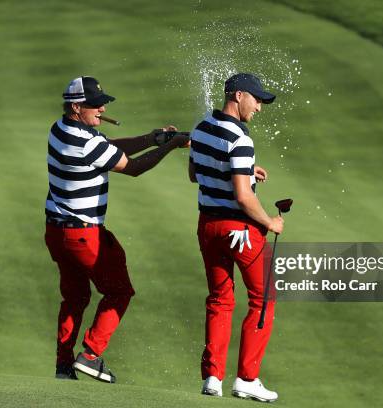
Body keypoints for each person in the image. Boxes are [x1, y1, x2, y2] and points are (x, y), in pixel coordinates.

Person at [45, 76, 188, 382]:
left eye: (103, 103)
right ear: (75, 106)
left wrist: (151, 139)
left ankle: (63, 366)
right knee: (119, 291)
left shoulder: (60, 130)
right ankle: (91, 355)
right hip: (84, 235)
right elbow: (132, 168)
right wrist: (172, 145)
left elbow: (108, 148)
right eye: (95, 104)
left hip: (56, 232)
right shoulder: (88, 141)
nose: (101, 108)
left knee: (75, 297)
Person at [188, 73, 284, 402]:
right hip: (239, 230)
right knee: (263, 300)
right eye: (256, 100)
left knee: (220, 299)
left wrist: (243, 169)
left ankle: (212, 376)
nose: (259, 106)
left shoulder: (201, 127)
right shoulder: (241, 139)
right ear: (238, 96)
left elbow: (194, 173)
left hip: (208, 227)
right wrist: (270, 223)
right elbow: (244, 198)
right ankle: (247, 378)